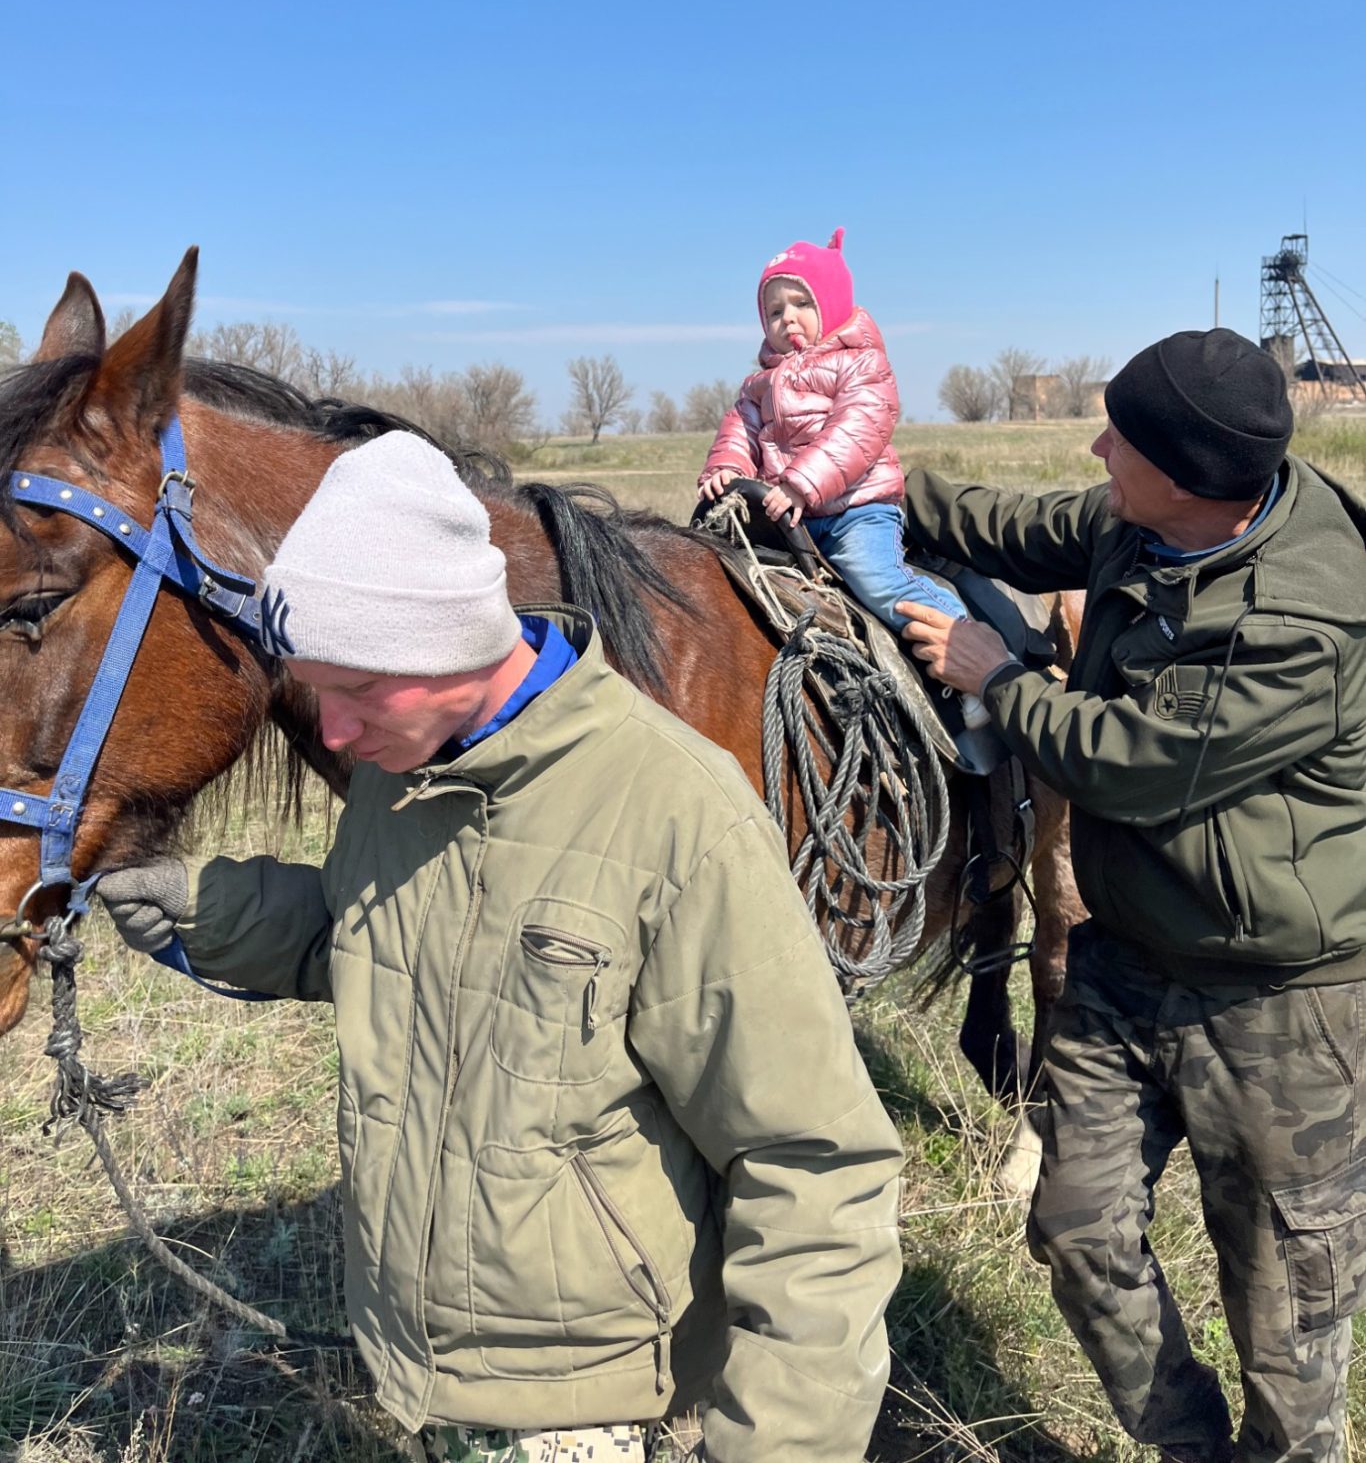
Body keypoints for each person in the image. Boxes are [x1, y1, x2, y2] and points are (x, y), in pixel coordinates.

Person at [96, 430, 904, 1463]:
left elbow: (811, 1162)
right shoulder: (403, 774)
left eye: (354, 692)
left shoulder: (676, 817)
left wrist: (781, 1444)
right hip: (422, 1369)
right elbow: (378, 935)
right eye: (315, 690)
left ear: (449, 643)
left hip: (589, 1399)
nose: (331, 738)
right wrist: (206, 908)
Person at [896, 327, 1366, 1463]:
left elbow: (1134, 763)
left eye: (1120, 437)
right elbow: (1021, 524)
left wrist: (995, 676)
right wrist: (859, 486)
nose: (1097, 446)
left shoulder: (1297, 620)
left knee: (1282, 1305)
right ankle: (1189, 1447)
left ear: (1190, 478)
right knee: (1073, 1230)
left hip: (1276, 1004)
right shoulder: (1149, 519)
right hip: (1128, 957)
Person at [697, 226, 989, 726]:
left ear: (830, 305)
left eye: (800, 303)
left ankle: (963, 644)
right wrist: (726, 468)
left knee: (876, 581)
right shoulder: (761, 382)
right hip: (790, 516)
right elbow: (739, 428)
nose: (787, 318)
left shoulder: (860, 364)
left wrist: (797, 483)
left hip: (855, 509)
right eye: (773, 310)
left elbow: (858, 428)